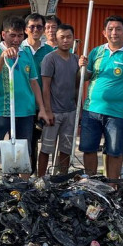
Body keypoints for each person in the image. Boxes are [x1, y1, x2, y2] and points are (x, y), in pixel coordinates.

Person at [0, 16, 50, 179]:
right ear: (4, 34)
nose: (16, 40)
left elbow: (34, 82)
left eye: (20, 36)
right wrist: (3, 57)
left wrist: (41, 108)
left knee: (23, 151)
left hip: (24, 111)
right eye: (12, 35)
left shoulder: (25, 53)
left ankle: (22, 187)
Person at [78, 15, 123, 180]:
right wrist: (82, 67)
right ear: (104, 32)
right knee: (89, 148)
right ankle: (91, 184)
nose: (114, 32)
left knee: (115, 151)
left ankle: (112, 185)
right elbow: (85, 77)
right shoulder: (96, 52)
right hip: (91, 109)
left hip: (117, 113)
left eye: (118, 29)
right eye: (110, 29)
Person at [39, 24, 80, 176]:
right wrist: (48, 111)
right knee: (46, 148)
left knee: (66, 148)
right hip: (54, 112)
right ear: (56, 39)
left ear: (73, 39)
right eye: (62, 37)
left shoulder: (76, 59)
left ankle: (61, 178)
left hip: (70, 111)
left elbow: (78, 86)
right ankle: (41, 178)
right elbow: (45, 86)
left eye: (69, 37)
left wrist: (78, 108)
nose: (65, 40)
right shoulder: (50, 59)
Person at [21, 13, 54, 168]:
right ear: (26, 29)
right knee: (24, 141)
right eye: (32, 26)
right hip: (23, 104)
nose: (35, 29)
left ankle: (34, 174)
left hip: (43, 105)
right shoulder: (19, 49)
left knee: (38, 140)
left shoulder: (50, 51)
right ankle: (21, 175)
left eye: (39, 26)